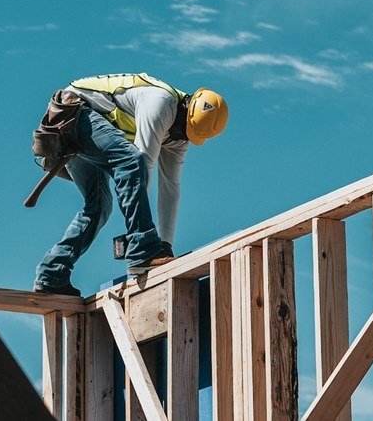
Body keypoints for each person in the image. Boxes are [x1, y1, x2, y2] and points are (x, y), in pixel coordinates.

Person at [33, 73, 228, 296]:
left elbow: (170, 188)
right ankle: (143, 249)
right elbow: (141, 165)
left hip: (84, 128)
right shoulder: (161, 102)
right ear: (186, 107)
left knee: (99, 207)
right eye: (182, 129)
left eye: (186, 134)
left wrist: (166, 245)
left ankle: (52, 273)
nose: (179, 136)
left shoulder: (179, 136)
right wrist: (142, 242)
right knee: (131, 160)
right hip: (73, 113)